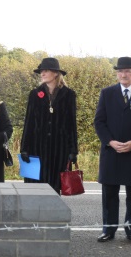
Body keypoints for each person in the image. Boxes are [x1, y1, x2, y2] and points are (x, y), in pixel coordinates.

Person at [94, 56, 131, 243]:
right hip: (111, 152)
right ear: (117, 74)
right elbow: (99, 122)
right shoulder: (107, 93)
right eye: (121, 71)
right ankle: (109, 230)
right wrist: (110, 141)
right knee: (109, 195)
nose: (124, 74)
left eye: (128, 71)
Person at [20, 58, 78, 194]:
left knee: (55, 185)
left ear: (56, 73)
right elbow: (29, 122)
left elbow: (71, 124)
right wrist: (24, 148)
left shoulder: (69, 95)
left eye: (46, 71)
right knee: (36, 186)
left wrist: (73, 150)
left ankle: (53, 214)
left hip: (60, 147)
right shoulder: (35, 94)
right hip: (37, 146)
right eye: (41, 71)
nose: (42, 73)